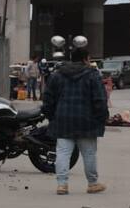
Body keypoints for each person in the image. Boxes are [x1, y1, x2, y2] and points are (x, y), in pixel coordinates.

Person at [42, 47, 108, 196]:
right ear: (85, 59)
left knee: (63, 153)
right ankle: (92, 184)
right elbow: (100, 100)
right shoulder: (92, 75)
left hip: (63, 120)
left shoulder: (57, 75)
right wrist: (101, 118)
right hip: (87, 121)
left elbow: (47, 99)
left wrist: (52, 116)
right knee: (89, 153)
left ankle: (62, 185)